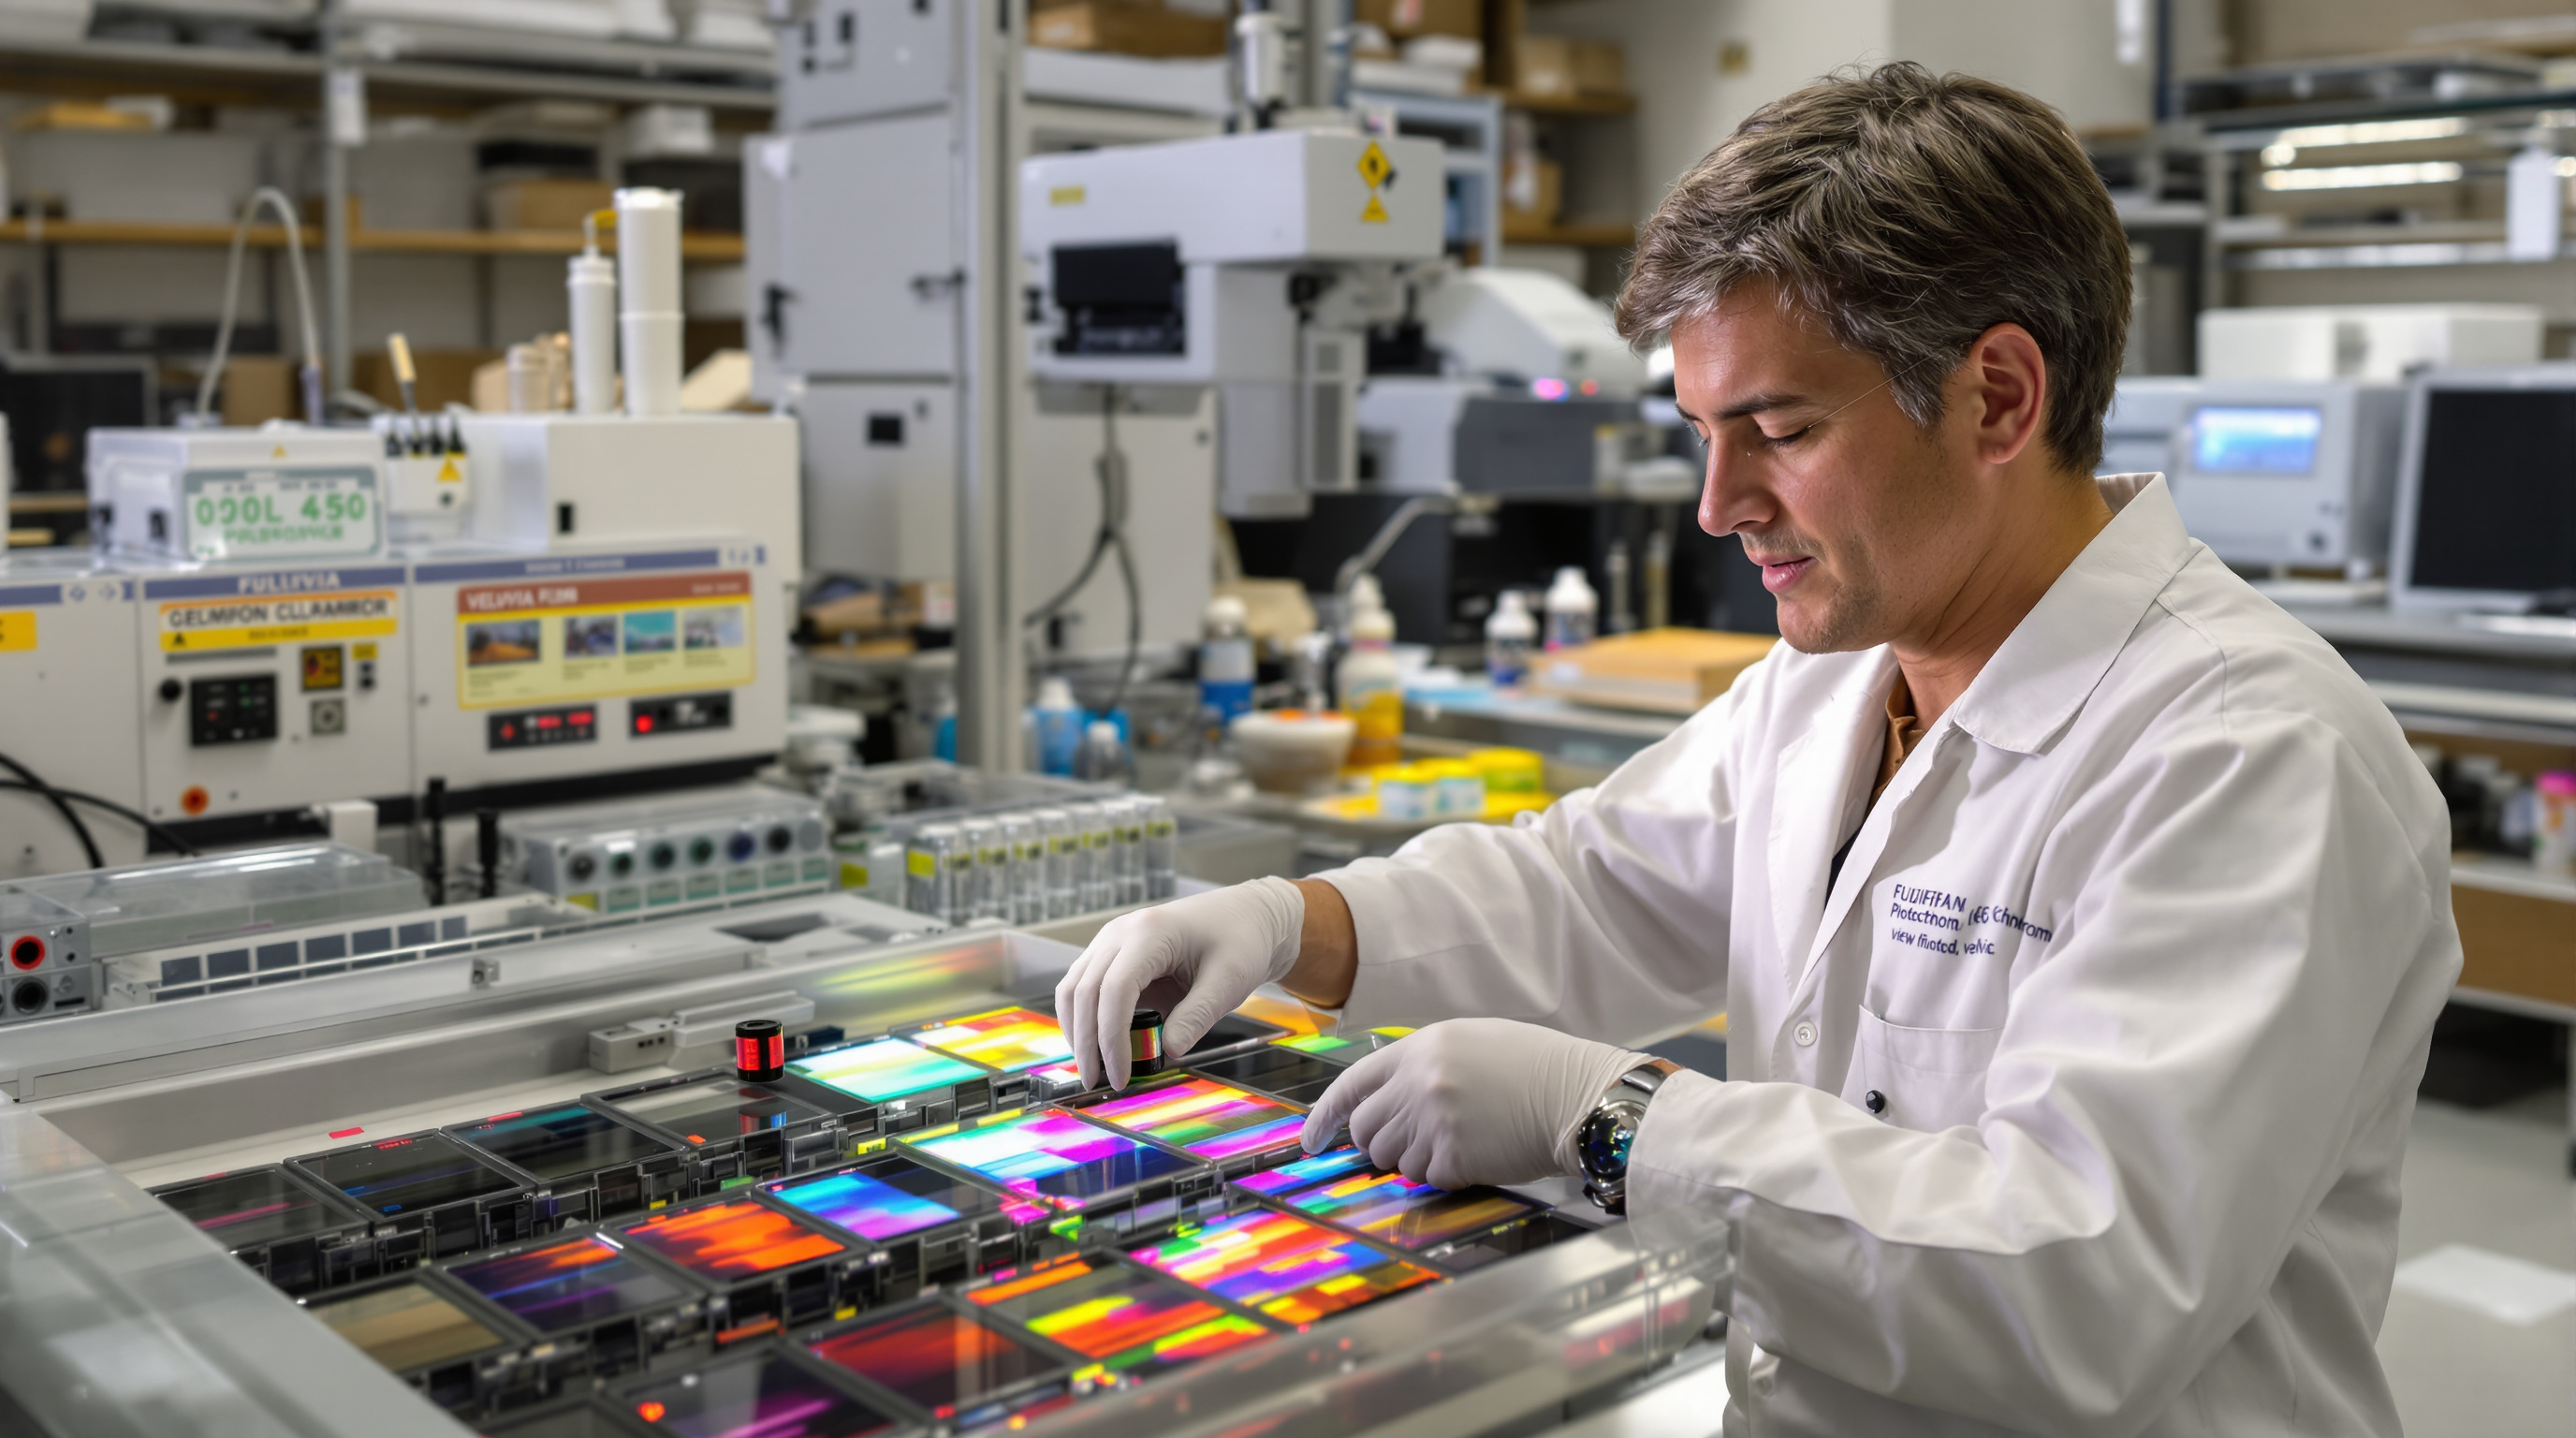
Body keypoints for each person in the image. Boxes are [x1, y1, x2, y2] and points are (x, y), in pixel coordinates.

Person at [1057, 62, 2458, 1437]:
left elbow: (2081, 1291)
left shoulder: (2252, 758)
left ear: (1998, 397)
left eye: (1777, 430)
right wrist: (1287, 925)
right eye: (1701, 434)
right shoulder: (1834, 679)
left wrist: (1608, 1119)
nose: (1720, 504)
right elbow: (1592, 886)